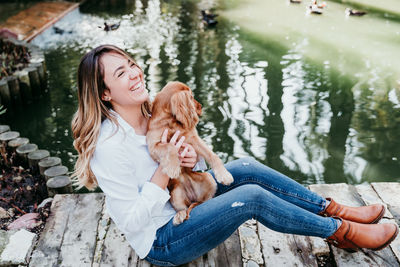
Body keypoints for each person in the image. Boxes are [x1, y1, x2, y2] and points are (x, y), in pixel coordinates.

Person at [71, 44, 398, 266]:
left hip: (186, 201)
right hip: (163, 239)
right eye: (121, 74)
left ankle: (337, 211)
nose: (135, 73)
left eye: (131, 64)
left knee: (244, 166)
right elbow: (131, 220)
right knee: (250, 196)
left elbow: (192, 165)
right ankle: (342, 233)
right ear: (104, 93)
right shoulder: (109, 147)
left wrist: (189, 161)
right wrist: (165, 169)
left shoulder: (154, 109)